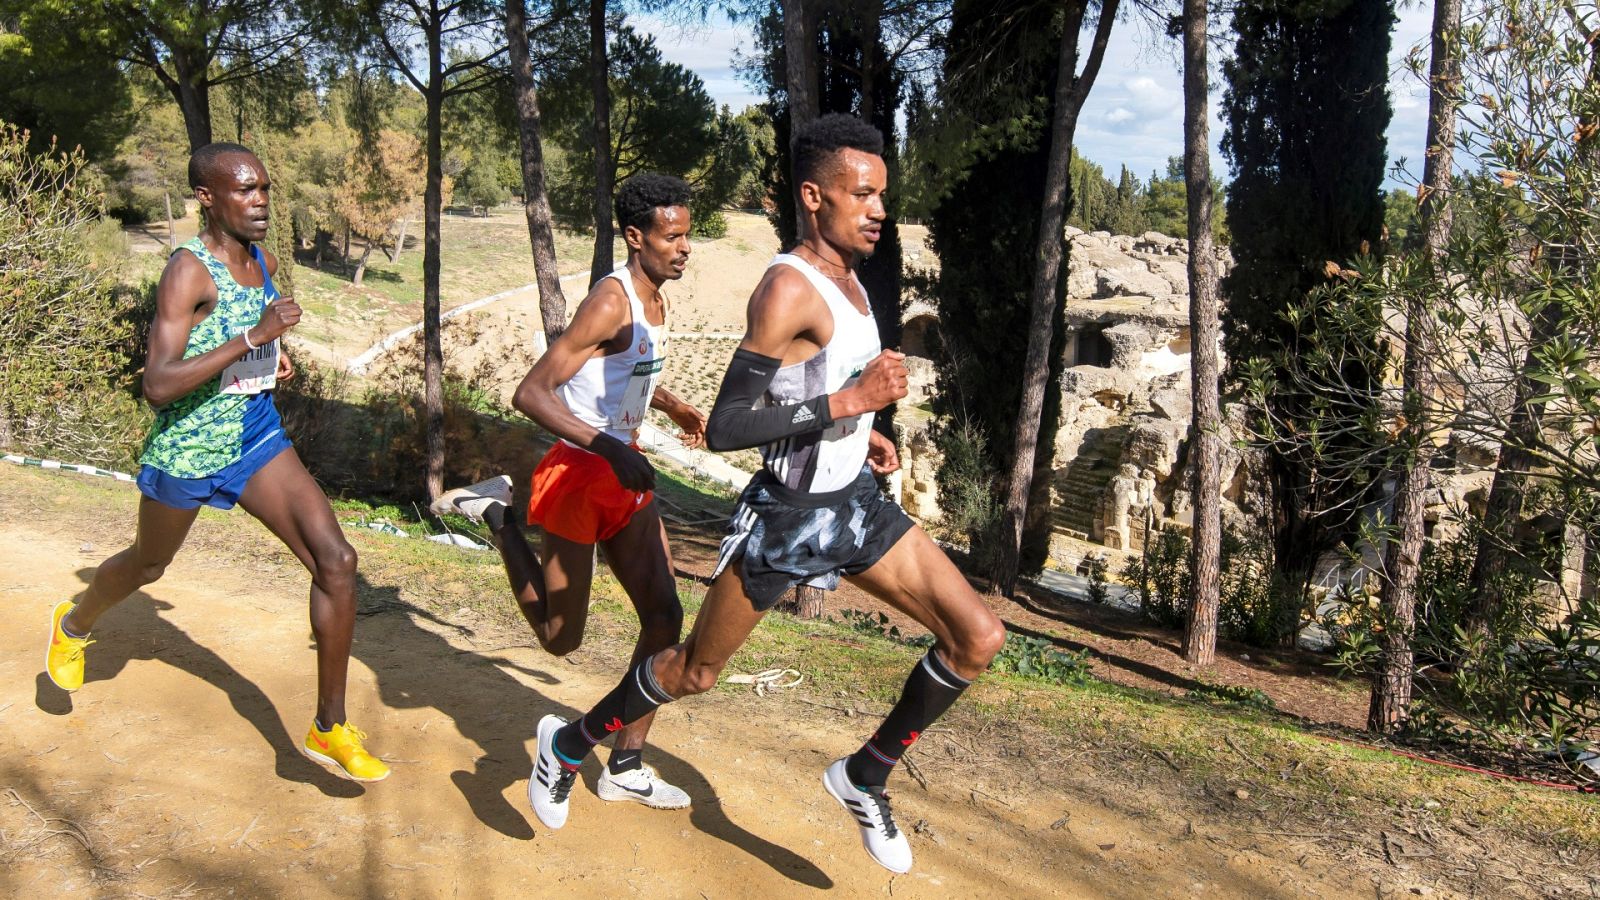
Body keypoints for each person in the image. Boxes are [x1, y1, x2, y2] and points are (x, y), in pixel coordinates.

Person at [525, 115, 1006, 873]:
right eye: (863, 194)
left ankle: (866, 774)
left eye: (883, 194)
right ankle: (569, 743)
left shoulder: (852, 276)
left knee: (977, 638)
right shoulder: (788, 288)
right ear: (815, 197)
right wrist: (849, 406)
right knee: (693, 670)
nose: (879, 209)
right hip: (786, 520)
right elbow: (727, 424)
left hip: (854, 503)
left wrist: (862, 430)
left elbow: (813, 386)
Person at [44, 143, 388, 783]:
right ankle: (73, 622)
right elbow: (158, 383)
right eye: (245, 190)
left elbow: (252, 334)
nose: (260, 202)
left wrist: (271, 355)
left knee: (337, 560)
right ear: (208, 197)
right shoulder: (187, 271)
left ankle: (329, 726)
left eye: (264, 188)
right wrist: (251, 340)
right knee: (149, 564)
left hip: (255, 434)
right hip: (189, 445)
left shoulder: (264, 259)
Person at [430, 173, 707, 813]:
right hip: (579, 474)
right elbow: (531, 392)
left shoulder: (656, 299)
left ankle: (627, 765)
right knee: (561, 637)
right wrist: (607, 445)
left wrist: (668, 404)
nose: (685, 247)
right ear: (636, 238)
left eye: (688, 235)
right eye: (673, 236)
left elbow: (619, 372)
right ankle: (500, 518)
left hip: (624, 471)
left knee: (665, 619)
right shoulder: (610, 301)